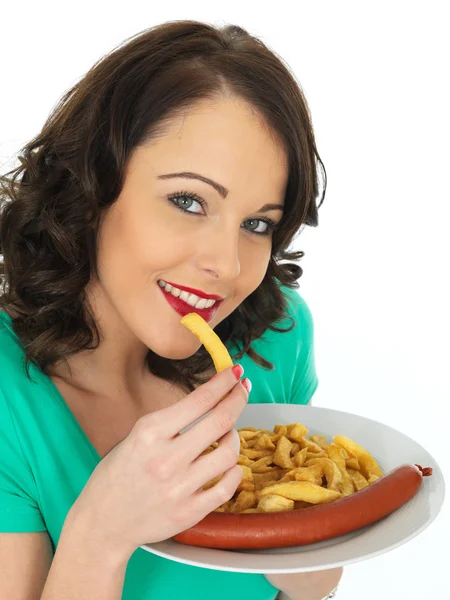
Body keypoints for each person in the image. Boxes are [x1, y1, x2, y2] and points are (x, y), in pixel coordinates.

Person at [0, 20, 343, 600]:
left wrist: (304, 542)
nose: (228, 265)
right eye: (189, 201)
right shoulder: (10, 399)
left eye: (257, 223)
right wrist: (100, 535)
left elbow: (307, 588)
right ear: (92, 186)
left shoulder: (277, 336)